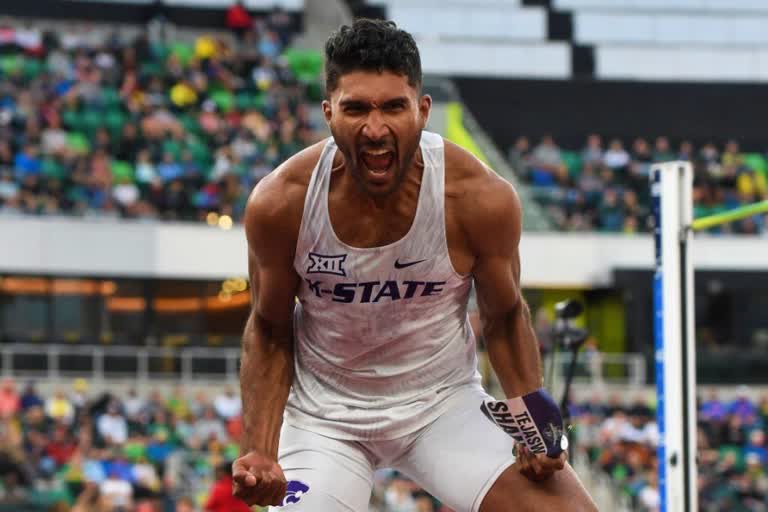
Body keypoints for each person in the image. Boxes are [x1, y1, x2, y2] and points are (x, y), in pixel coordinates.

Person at [232, 19, 596, 512]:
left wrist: (532, 413)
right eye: (356, 108)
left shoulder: (477, 199)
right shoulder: (282, 203)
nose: (376, 129)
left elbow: (505, 316)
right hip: (324, 417)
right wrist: (260, 447)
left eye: (394, 107)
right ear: (328, 114)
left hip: (442, 405)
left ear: (423, 111)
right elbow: (270, 328)